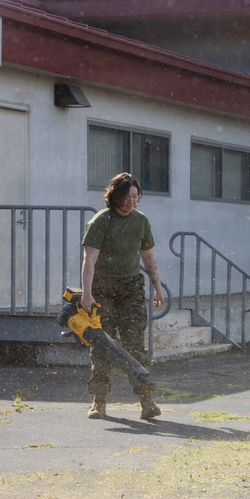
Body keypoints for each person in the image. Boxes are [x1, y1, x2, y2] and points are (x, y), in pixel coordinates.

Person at [80, 173, 166, 420]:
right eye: (127, 197)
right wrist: (87, 294)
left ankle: (147, 401)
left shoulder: (141, 222)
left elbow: (148, 257)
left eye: (135, 197)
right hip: (102, 290)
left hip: (130, 290)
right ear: (115, 195)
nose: (131, 202)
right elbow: (89, 261)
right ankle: (99, 401)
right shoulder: (100, 222)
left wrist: (157, 287)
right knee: (103, 345)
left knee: (135, 346)